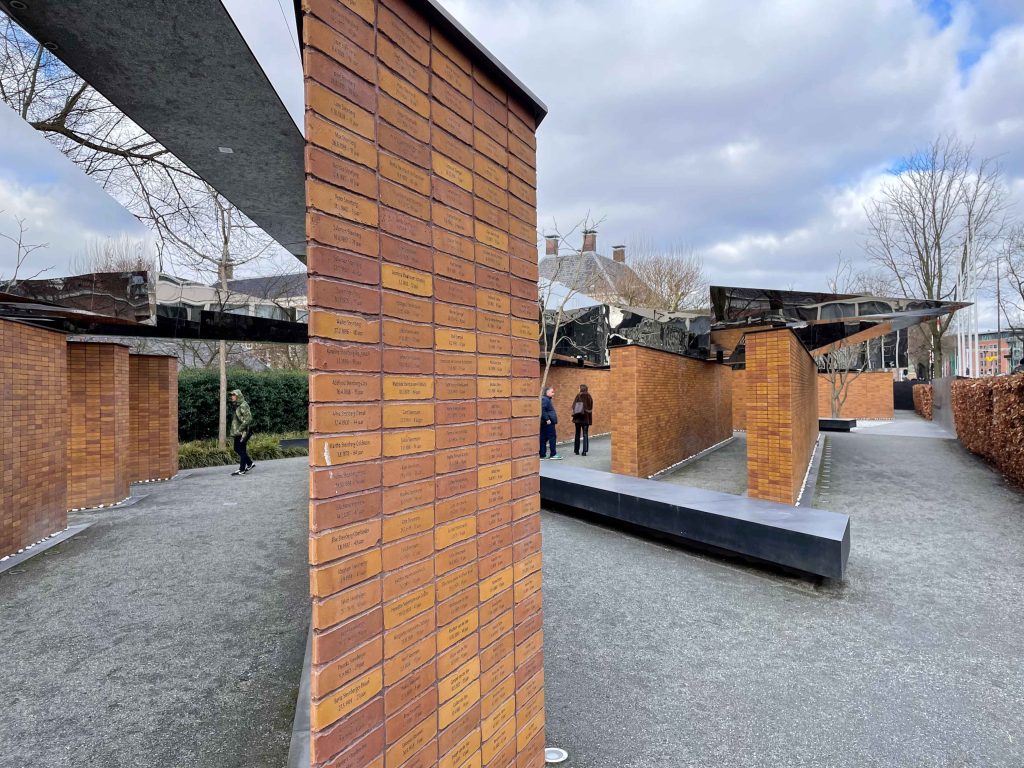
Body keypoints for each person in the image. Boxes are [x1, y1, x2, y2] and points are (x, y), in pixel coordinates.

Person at [229, 388, 255, 475]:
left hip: (243, 432)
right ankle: (249, 464)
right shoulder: (238, 405)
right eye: (231, 395)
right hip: (238, 432)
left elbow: (248, 419)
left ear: (238, 396)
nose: (232, 396)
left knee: (240, 448)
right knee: (237, 448)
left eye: (234, 395)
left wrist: (240, 429)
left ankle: (242, 469)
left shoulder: (243, 405)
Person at [571, 384, 594, 456]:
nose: (578, 389)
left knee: (577, 434)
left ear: (581, 389)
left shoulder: (578, 395)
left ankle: (576, 450)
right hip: (586, 419)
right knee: (585, 434)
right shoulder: (589, 396)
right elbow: (591, 407)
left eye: (579, 388)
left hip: (578, 418)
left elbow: (573, 406)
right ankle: (584, 452)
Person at [539, 386, 561, 460]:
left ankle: (542, 454)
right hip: (548, 423)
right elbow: (542, 409)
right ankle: (553, 454)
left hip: (545, 422)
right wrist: (547, 419)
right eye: (552, 392)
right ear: (547, 392)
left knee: (543, 438)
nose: (553, 393)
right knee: (552, 437)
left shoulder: (545, 399)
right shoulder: (545, 399)